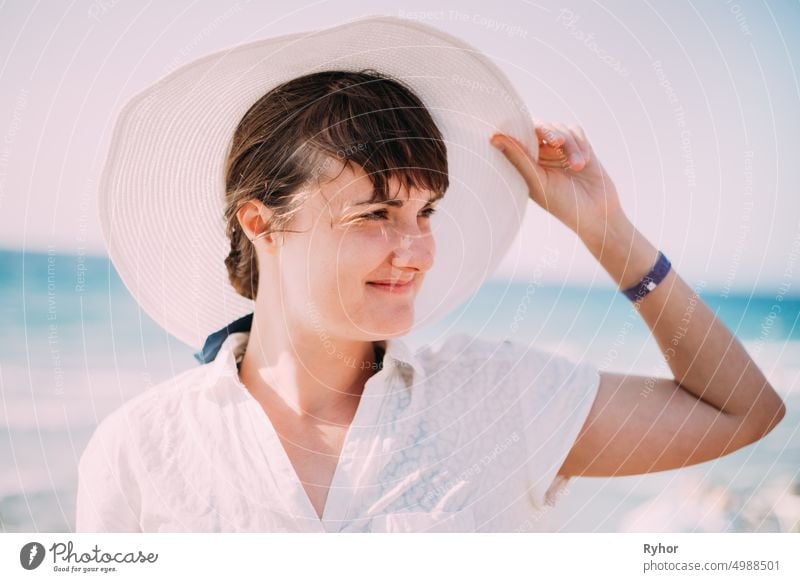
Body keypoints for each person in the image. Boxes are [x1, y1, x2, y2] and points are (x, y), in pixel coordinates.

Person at [76, 16, 785, 533]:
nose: (415, 250)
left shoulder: (495, 397)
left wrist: (606, 231)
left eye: (427, 212)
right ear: (261, 224)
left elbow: (742, 411)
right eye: (376, 213)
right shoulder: (140, 450)